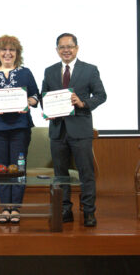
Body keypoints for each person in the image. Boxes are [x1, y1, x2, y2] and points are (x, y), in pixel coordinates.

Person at [41, 33, 106, 227]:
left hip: (81, 130)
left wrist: (83, 102)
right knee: (60, 175)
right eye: (62, 47)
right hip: (58, 130)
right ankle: (64, 210)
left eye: (69, 46)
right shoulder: (50, 71)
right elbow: (45, 97)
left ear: (76, 48)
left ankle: (88, 212)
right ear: (57, 50)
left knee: (86, 174)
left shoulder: (90, 70)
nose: (66, 50)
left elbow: (101, 95)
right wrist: (48, 111)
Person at [0, 35, 39, 224]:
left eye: (12, 50)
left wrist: (27, 101)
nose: (8, 53)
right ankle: (5, 207)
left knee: (19, 168)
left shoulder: (25, 73)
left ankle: (16, 208)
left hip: (20, 128)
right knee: (1, 168)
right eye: (4, 50)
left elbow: (36, 96)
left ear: (17, 53)